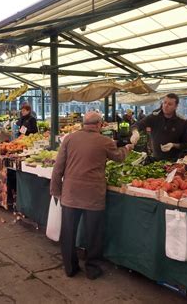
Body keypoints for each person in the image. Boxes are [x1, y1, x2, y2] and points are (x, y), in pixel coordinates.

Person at [50, 111, 134, 280]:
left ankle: (70, 268)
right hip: (93, 195)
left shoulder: (69, 139)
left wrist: (56, 190)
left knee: (68, 232)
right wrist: (128, 147)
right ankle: (92, 268)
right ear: (99, 124)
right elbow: (118, 157)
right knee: (93, 234)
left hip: (71, 193)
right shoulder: (105, 141)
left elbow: (58, 167)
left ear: (83, 124)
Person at [130, 93, 187, 161]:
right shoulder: (154, 117)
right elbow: (137, 124)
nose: (165, 106)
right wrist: (135, 132)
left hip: (175, 161)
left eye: (169, 104)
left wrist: (173, 145)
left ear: (176, 106)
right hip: (156, 159)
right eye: (164, 102)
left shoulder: (183, 122)